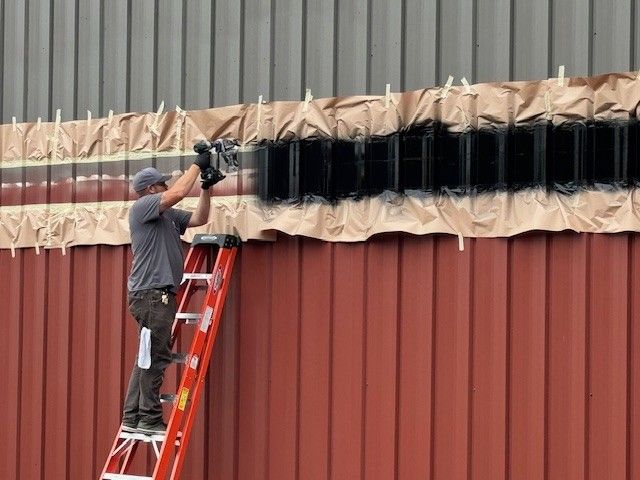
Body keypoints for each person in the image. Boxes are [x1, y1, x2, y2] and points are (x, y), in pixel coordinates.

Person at [121, 143, 224, 435]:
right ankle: (150, 419)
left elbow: (199, 218)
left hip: (154, 295)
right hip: (153, 295)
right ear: (151, 189)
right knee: (156, 357)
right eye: (162, 183)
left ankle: (132, 416)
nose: (167, 186)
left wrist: (206, 187)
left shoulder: (167, 217)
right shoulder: (143, 207)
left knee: (147, 355)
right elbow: (178, 192)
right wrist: (197, 164)